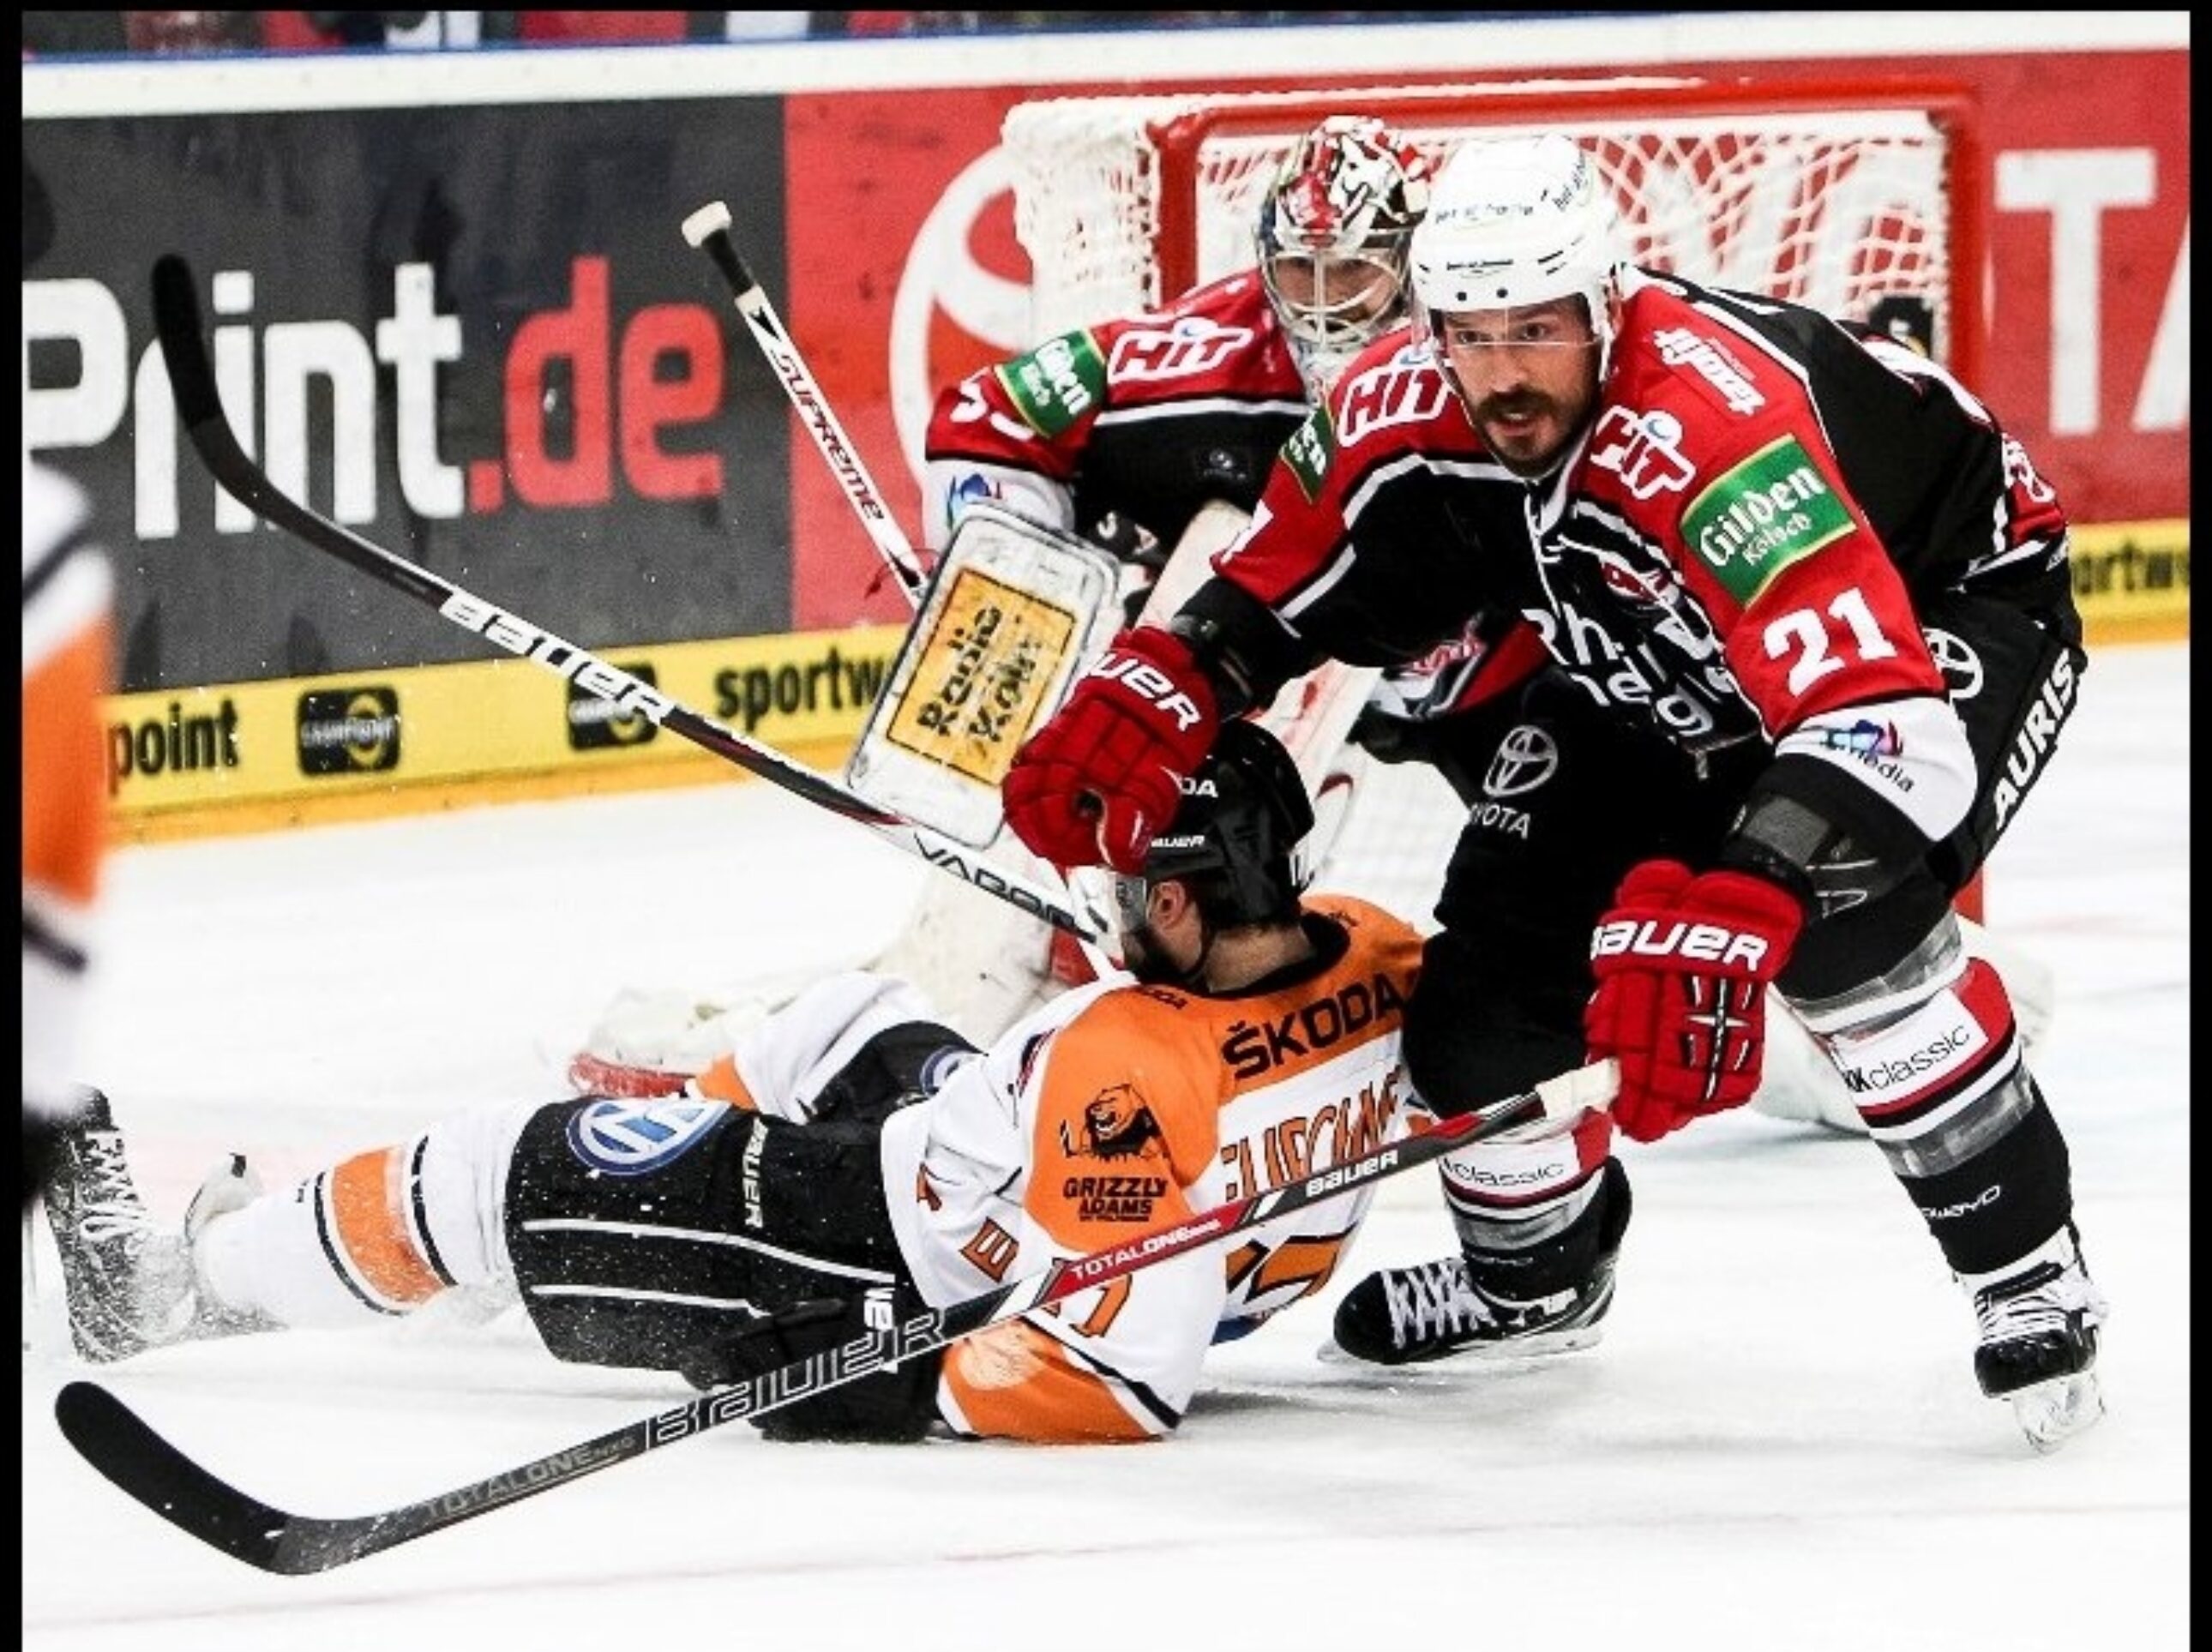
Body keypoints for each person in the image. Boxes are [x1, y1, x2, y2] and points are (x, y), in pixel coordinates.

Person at [995, 132, 2106, 1450]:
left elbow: (1882, 724)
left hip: (1944, 611)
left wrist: (1748, 889)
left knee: (1852, 935)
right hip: (1650, 660)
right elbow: (1289, 583)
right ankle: (1536, 1283)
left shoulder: (1715, 432)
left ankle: (2027, 1273)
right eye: (1473, 333)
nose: (1506, 372)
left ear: (1604, 303)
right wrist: (1167, 681)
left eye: (1537, 327)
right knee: (1487, 1001)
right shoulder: (1405, 404)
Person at [39, 723, 1536, 1443]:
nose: (1106, 903)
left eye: (1133, 887)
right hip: (1003, 1169)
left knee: (499, 1164)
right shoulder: (1372, 947)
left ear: (1191, 898)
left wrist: (888, 1388)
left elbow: (1120, 1380)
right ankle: (585, 1223)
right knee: (849, 1018)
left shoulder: (1128, 1066)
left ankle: (171, 1292)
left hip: (878, 1246)